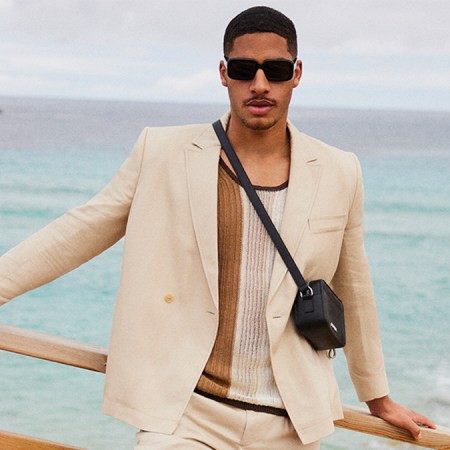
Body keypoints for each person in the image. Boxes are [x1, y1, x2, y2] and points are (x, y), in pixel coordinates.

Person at [0, 6, 435, 450]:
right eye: (245, 69)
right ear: (224, 73)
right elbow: (80, 229)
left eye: (276, 70)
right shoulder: (163, 151)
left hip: (288, 420)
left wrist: (377, 398)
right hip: (186, 415)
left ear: (297, 73)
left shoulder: (339, 170)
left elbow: (354, 288)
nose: (260, 84)